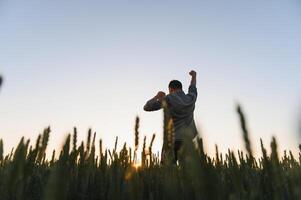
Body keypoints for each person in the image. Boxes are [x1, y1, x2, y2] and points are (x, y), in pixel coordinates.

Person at [143, 70, 198, 163]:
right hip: (188, 141)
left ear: (170, 89)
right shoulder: (191, 98)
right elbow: (193, 86)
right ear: (181, 88)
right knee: (187, 173)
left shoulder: (169, 98)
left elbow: (147, 107)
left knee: (167, 171)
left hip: (173, 141)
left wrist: (157, 96)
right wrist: (194, 76)